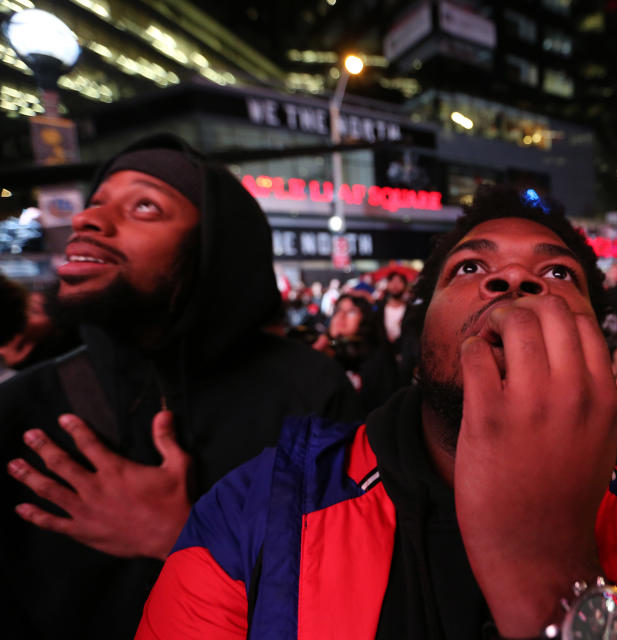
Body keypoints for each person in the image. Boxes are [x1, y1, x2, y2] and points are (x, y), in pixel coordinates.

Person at [136, 185, 617, 640]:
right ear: (418, 343)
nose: (514, 279)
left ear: (596, 338)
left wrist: (550, 579)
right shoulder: (255, 511)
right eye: (471, 269)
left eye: (557, 273)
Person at [0, 134, 359, 639]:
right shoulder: (21, 407)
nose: (87, 219)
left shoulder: (308, 394)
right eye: (97, 201)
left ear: (213, 249)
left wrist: (183, 538)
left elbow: (356, 598)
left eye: (144, 206)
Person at [313, 293, 400, 414]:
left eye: (351, 311)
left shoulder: (378, 359)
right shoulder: (319, 352)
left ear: (365, 319)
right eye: (338, 310)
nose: (341, 316)